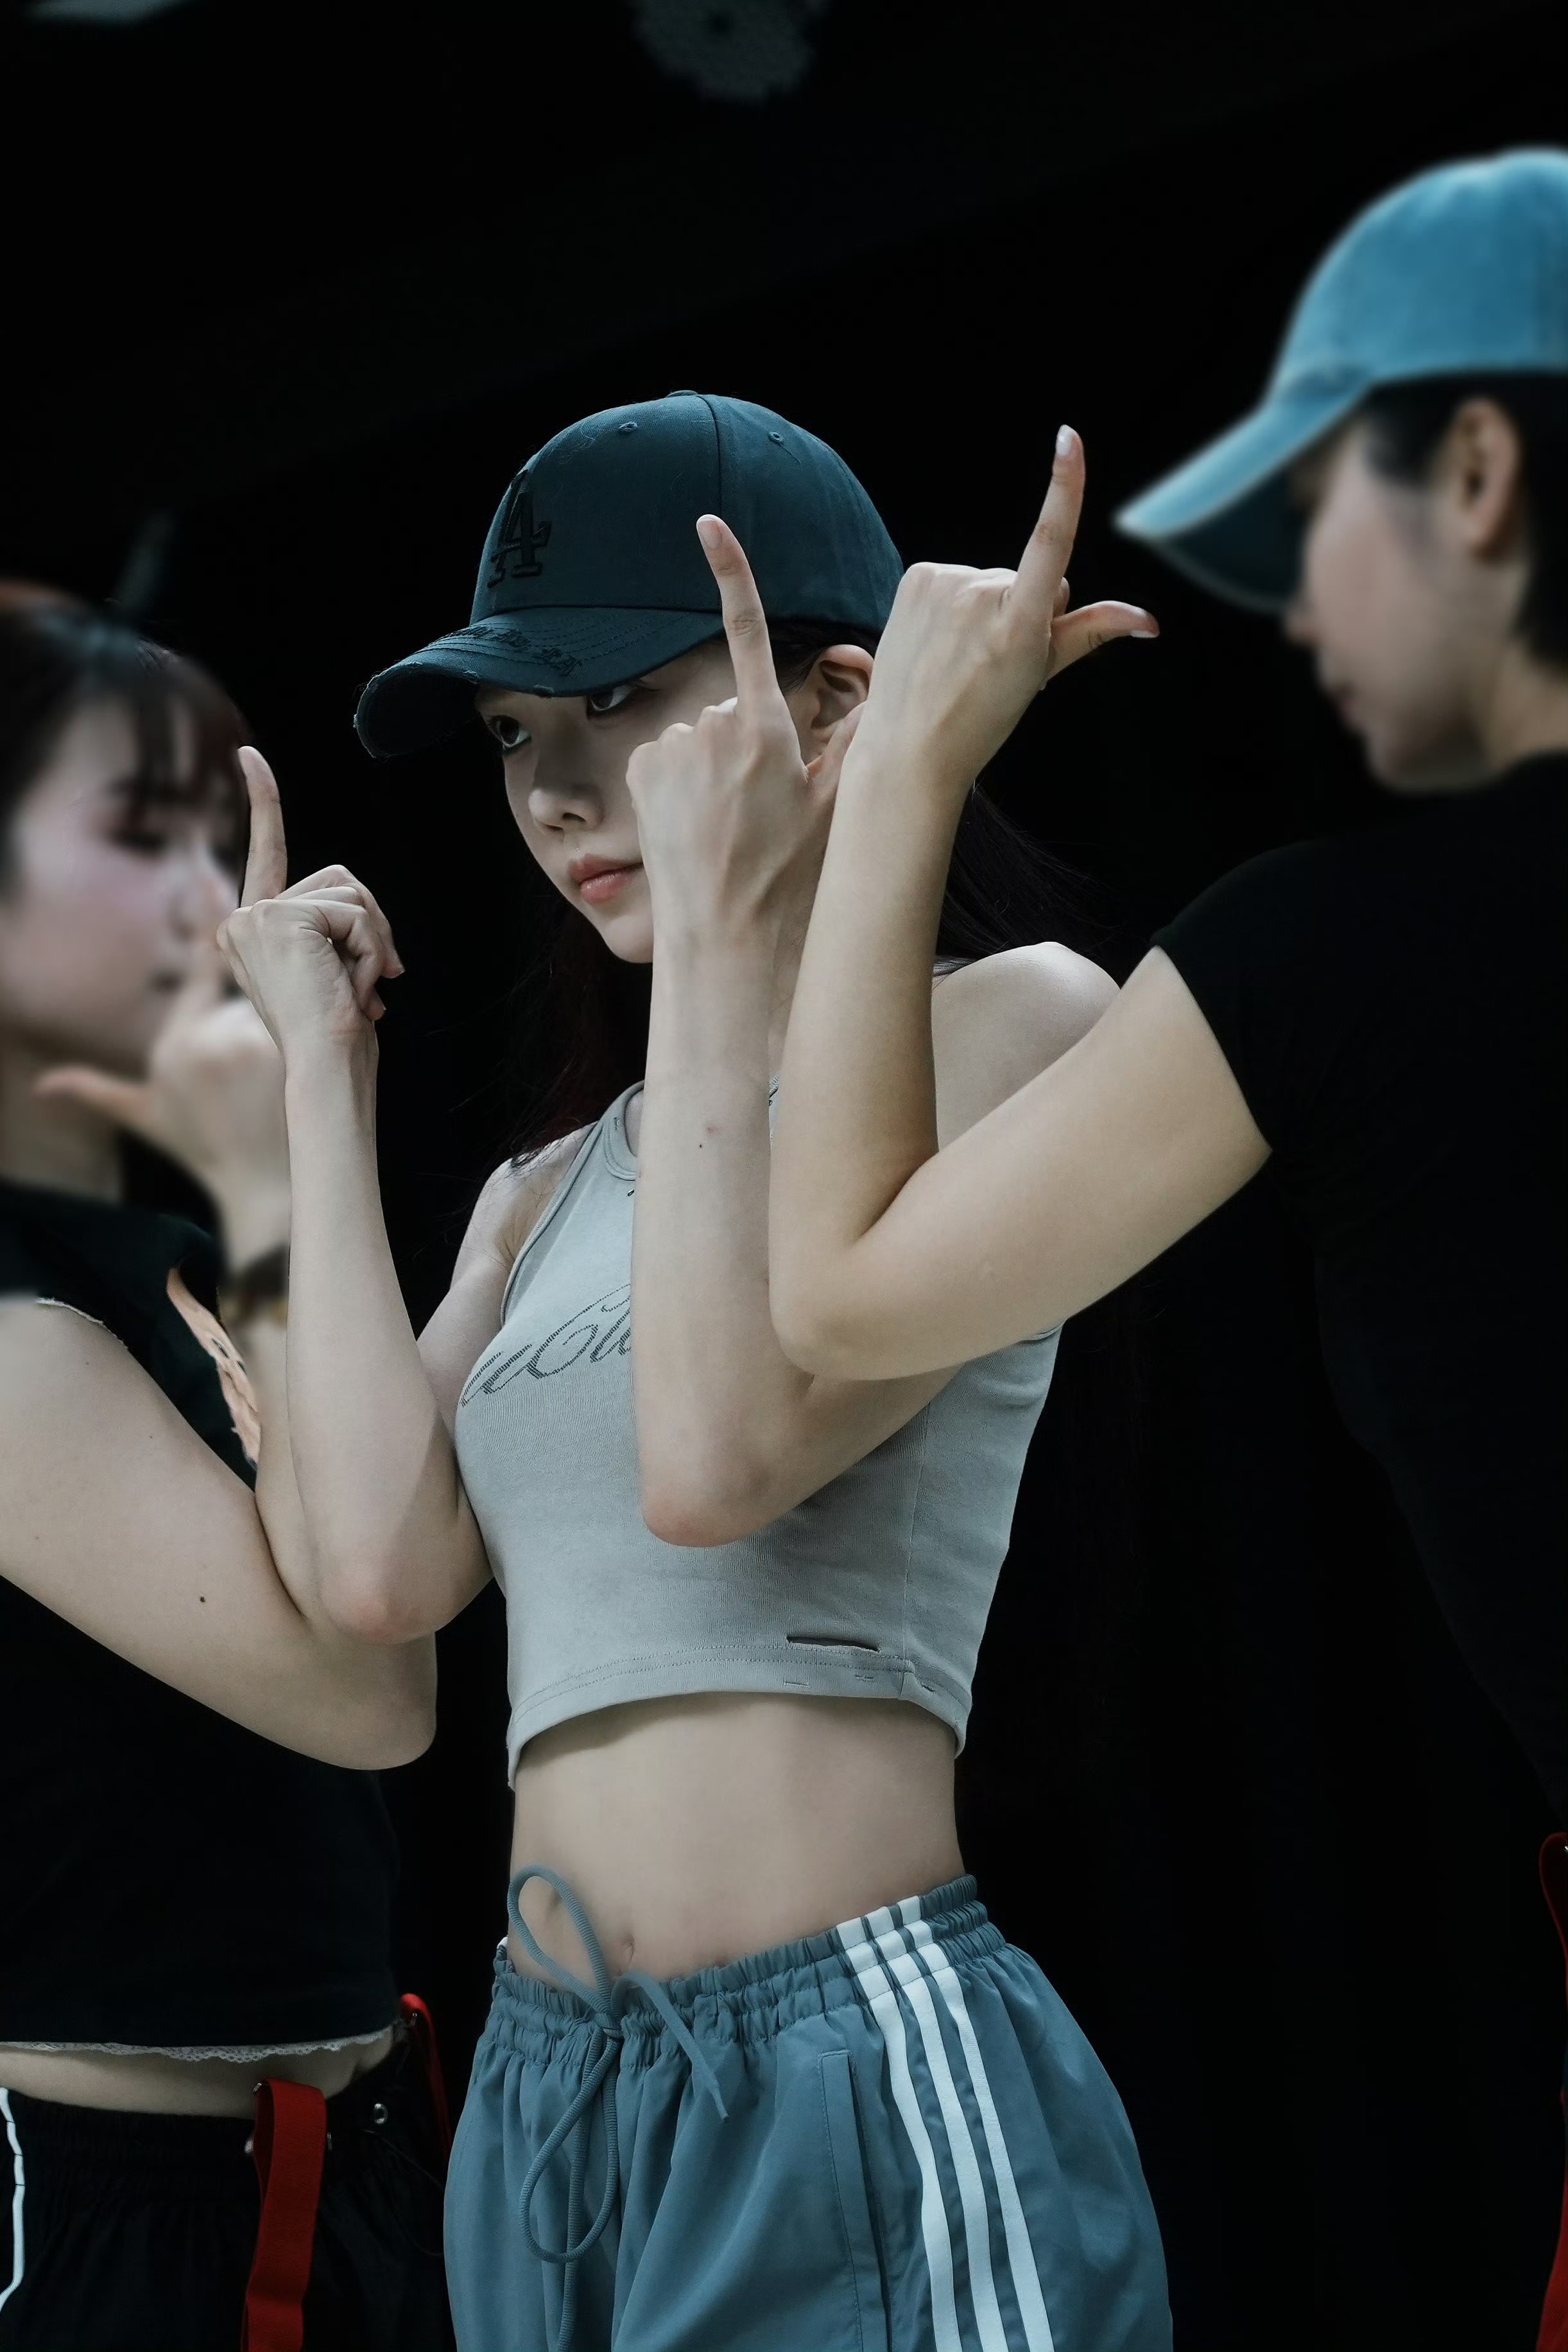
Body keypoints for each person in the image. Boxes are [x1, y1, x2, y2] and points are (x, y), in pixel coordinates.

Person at [221, 391, 1174, 2350]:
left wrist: (734, 929)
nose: (560, 793)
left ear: (836, 700)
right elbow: (377, 1583)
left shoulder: (1016, 1025)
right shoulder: (542, 1187)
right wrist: (308, 1079)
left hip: (845, 2053)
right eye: (516, 736)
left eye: (618, 703)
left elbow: (716, 1458)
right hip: (548, 2095)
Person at [763, 151, 1568, 2345]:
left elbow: (835, 1292)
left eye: (1316, 514)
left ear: (1474, 473)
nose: (1295, 610)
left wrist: (907, 773)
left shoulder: (1339, 952)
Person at [0, 593, 452, 2352]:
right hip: (108, 2217)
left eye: (219, 831)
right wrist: (287, 1150)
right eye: (140, 835)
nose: (219, 895)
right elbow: (372, 1683)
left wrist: (316, 1118)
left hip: (349, 2162)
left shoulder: (157, 1231)